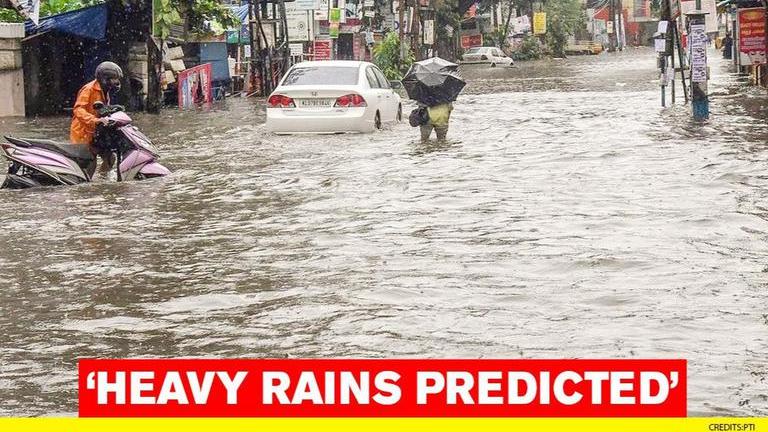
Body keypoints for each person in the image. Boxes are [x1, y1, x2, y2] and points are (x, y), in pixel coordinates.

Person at [70, 61, 124, 175]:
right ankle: (86, 187)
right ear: (105, 79)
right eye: (114, 79)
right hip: (83, 133)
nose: (117, 82)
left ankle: (101, 181)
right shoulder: (88, 89)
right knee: (90, 163)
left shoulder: (105, 91)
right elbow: (78, 109)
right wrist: (95, 120)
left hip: (96, 133)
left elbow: (101, 109)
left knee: (110, 158)